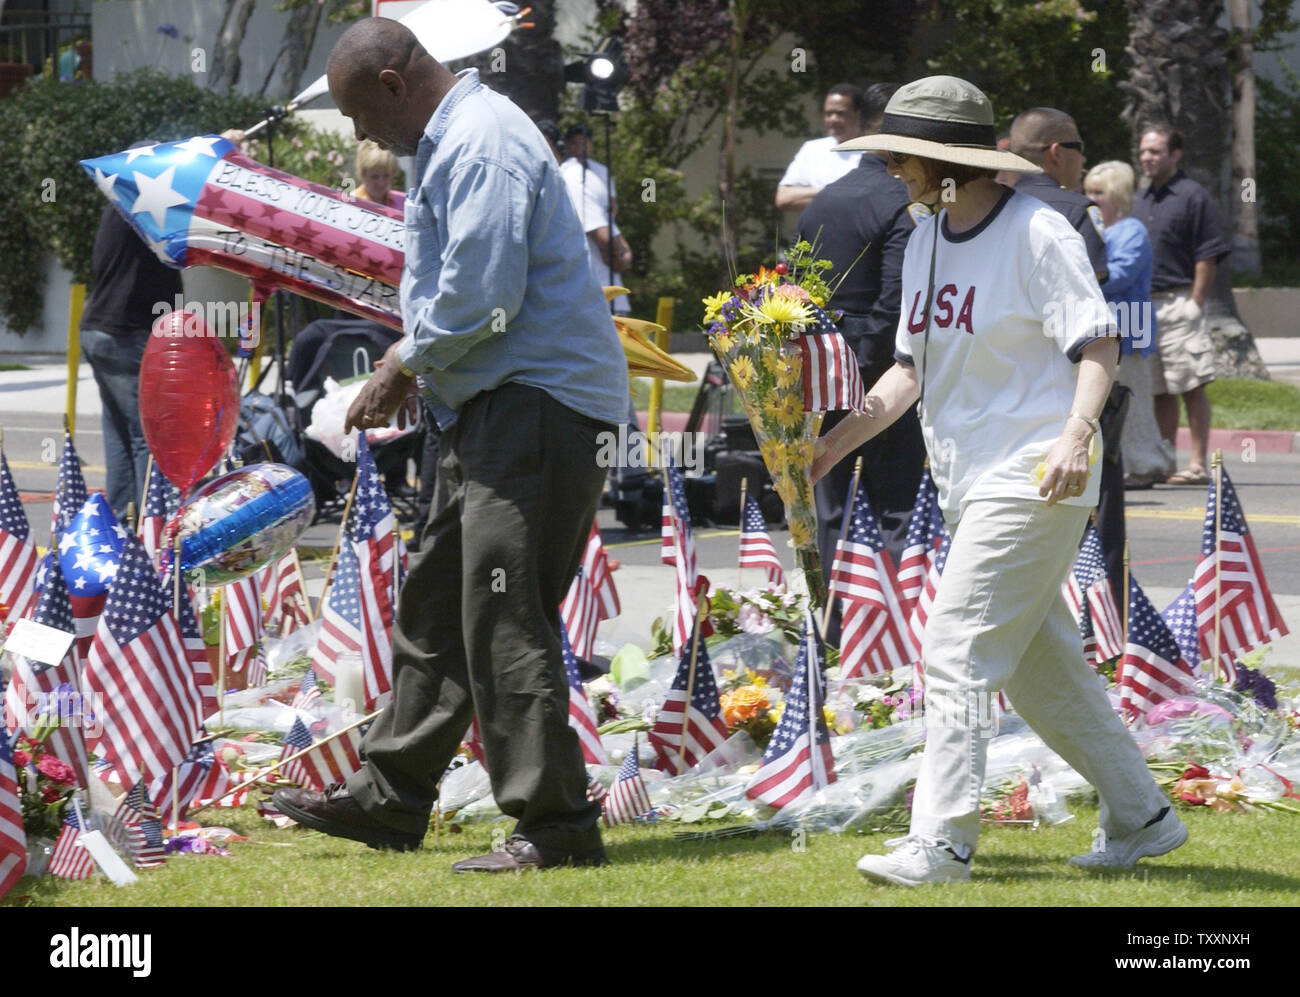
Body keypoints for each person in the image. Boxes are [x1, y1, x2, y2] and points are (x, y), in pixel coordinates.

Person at [273, 17, 629, 872]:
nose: (361, 135)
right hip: (491, 405)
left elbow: (483, 296)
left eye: (362, 114)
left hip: (539, 405)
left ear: (395, 84)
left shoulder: (481, 142)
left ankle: (556, 824)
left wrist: (403, 360)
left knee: (504, 610)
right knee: (436, 601)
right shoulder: (448, 144)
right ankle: (391, 796)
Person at [818, 76, 1184, 886]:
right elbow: (908, 371)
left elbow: (1098, 346)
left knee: (954, 650)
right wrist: (830, 444)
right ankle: (1143, 817)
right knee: (1036, 666)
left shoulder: (1037, 234)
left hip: (1035, 476)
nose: (890, 167)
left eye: (902, 155)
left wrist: (1075, 434)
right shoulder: (923, 239)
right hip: (970, 482)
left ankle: (941, 844)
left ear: (948, 161)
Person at [797, 81, 925, 644]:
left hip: (820, 371)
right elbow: (895, 299)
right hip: (879, 374)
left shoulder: (826, 198)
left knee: (833, 505)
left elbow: (797, 288)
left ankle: (831, 629)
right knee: (895, 505)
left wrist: (828, 364)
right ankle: (889, 637)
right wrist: (864, 366)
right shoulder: (903, 203)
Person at [1009, 106, 1124, 606]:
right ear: (1057, 152)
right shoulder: (1075, 210)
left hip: (1011, 393)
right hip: (1073, 388)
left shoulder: (997, 209)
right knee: (1096, 522)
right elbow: (1097, 303)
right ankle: (1100, 626)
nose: (1082, 160)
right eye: (1078, 148)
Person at [79, 144, 184, 521]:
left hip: (99, 328)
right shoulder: (146, 207)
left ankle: (124, 524)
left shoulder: (122, 203)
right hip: (126, 333)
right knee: (148, 436)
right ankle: (153, 528)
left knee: (120, 435)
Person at [1134, 124, 1230, 486]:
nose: (1147, 157)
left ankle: (1198, 463)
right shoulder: (1139, 200)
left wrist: (1196, 302)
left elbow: (1208, 255)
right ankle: (1165, 461)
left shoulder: (1194, 196)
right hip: (1144, 306)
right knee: (1158, 390)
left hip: (1179, 303)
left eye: (1155, 151)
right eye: (1144, 151)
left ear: (1175, 154)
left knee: (1191, 385)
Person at [1085, 160, 1169, 489]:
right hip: (1105, 329)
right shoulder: (1098, 229)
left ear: (1117, 195)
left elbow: (1120, 276)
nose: (1091, 197)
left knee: (1131, 401)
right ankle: (1130, 462)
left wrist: (1082, 280)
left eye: (1099, 192)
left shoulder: (1131, 230)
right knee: (1114, 400)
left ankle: (1146, 465)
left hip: (1129, 328)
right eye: (1088, 190)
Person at [559, 125, 632, 315]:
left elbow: (611, 208)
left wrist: (622, 250)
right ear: (567, 145)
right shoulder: (571, 173)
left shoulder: (601, 171)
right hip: (590, 279)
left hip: (609, 277)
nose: (580, 146)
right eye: (575, 142)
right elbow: (598, 230)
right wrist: (617, 252)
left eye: (584, 141)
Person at [774, 83, 865, 213]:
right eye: (828, 114)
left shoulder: (873, 151)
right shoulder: (812, 150)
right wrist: (836, 192)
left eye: (840, 113)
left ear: (858, 114)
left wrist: (817, 196)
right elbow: (784, 199)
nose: (833, 119)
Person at [352, 138, 405, 209]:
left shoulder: (403, 202)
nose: (381, 183)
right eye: (374, 177)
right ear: (362, 174)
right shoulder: (351, 203)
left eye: (386, 175)